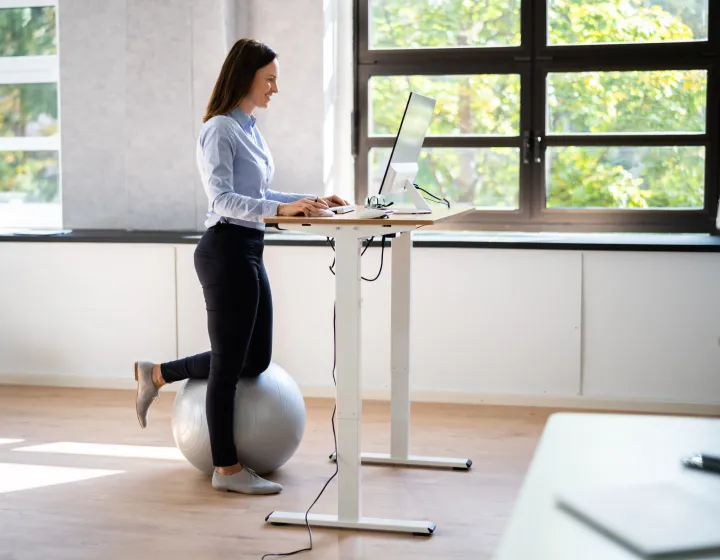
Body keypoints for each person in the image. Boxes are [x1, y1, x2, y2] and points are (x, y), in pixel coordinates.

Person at [133, 38, 349, 496]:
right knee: (231, 366)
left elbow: (261, 195)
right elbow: (223, 200)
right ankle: (226, 470)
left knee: (255, 359)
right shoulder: (219, 130)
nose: (275, 88)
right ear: (245, 76)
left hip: (249, 247)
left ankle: (156, 374)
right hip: (224, 250)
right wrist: (285, 211)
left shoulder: (249, 128)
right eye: (269, 79)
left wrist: (308, 200)